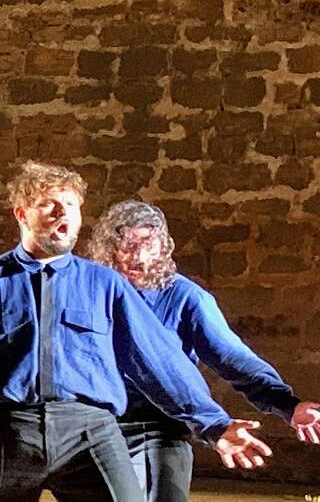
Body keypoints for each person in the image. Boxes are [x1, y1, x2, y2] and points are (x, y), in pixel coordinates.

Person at [0, 161, 273, 502]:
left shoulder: (105, 285)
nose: (63, 213)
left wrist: (213, 425)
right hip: (10, 432)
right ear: (22, 214)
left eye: (71, 205)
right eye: (49, 204)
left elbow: (159, 361)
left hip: (90, 433)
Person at [82, 200, 320, 502]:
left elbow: (231, 357)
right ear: (109, 248)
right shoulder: (87, 290)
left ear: (163, 246)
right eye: (129, 246)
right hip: (95, 424)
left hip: (158, 427)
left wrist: (287, 405)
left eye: (148, 245)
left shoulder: (184, 297)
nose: (140, 257)